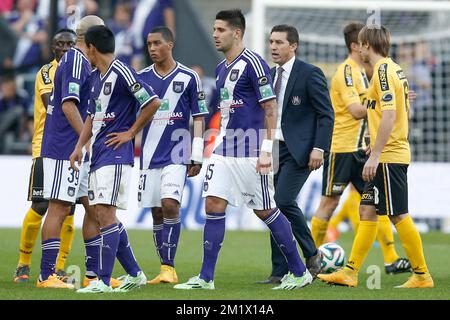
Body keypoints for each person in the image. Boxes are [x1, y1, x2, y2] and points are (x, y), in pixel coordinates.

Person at [174, 9, 311, 291]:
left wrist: (266, 150)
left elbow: (270, 108)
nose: (215, 34)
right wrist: (202, 152)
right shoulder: (222, 68)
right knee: (212, 204)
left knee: (266, 211)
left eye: (221, 30)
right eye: (213, 29)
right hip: (224, 150)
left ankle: (299, 272)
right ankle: (206, 278)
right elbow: (224, 113)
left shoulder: (254, 63)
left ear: (237, 33)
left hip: (251, 151)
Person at [318, 25, 434, 288]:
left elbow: (390, 115)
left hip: (390, 156)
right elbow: (376, 107)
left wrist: (376, 154)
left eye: (361, 44)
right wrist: (373, 142)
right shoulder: (392, 69)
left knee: (398, 215)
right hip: (384, 152)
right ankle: (350, 272)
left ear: (367, 46)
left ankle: (421, 274)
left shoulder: (382, 71)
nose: (359, 48)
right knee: (367, 210)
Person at [71, 25, 161, 293]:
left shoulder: (121, 71)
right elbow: (90, 116)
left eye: (83, 47)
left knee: (106, 214)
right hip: (98, 153)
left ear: (91, 48)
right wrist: (79, 146)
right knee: (101, 214)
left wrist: (131, 133)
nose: (83, 52)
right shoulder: (95, 77)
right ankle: (134, 273)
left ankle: (102, 280)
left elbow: (152, 102)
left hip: (116, 154)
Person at [256, 25, 334, 285]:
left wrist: (319, 148)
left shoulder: (310, 74)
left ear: (293, 46)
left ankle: (312, 254)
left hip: (300, 150)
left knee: (283, 200)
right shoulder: (267, 74)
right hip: (273, 150)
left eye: (279, 42)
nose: (274, 47)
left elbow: (326, 114)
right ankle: (279, 271)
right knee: (272, 207)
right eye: (271, 42)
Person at [36, 15, 107, 289]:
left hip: (73, 147)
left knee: (93, 208)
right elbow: (68, 106)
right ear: (90, 36)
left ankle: (92, 276)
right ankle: (46, 276)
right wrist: (86, 140)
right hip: (64, 148)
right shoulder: (77, 60)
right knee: (59, 207)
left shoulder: (78, 60)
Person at [137, 26, 208, 284]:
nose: (152, 48)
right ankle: (165, 268)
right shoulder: (141, 78)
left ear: (170, 44)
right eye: (149, 44)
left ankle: (169, 266)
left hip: (177, 153)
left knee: (170, 204)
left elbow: (199, 116)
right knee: (156, 211)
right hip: (148, 155)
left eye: (157, 43)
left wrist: (197, 154)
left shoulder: (189, 77)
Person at [13, 29, 78, 283]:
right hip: (45, 145)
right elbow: (55, 101)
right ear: (53, 48)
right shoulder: (46, 72)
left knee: (68, 208)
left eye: (69, 44)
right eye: (59, 44)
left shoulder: (81, 72)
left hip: (72, 148)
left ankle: (59, 267)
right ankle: (23, 263)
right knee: (40, 204)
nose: (64, 48)